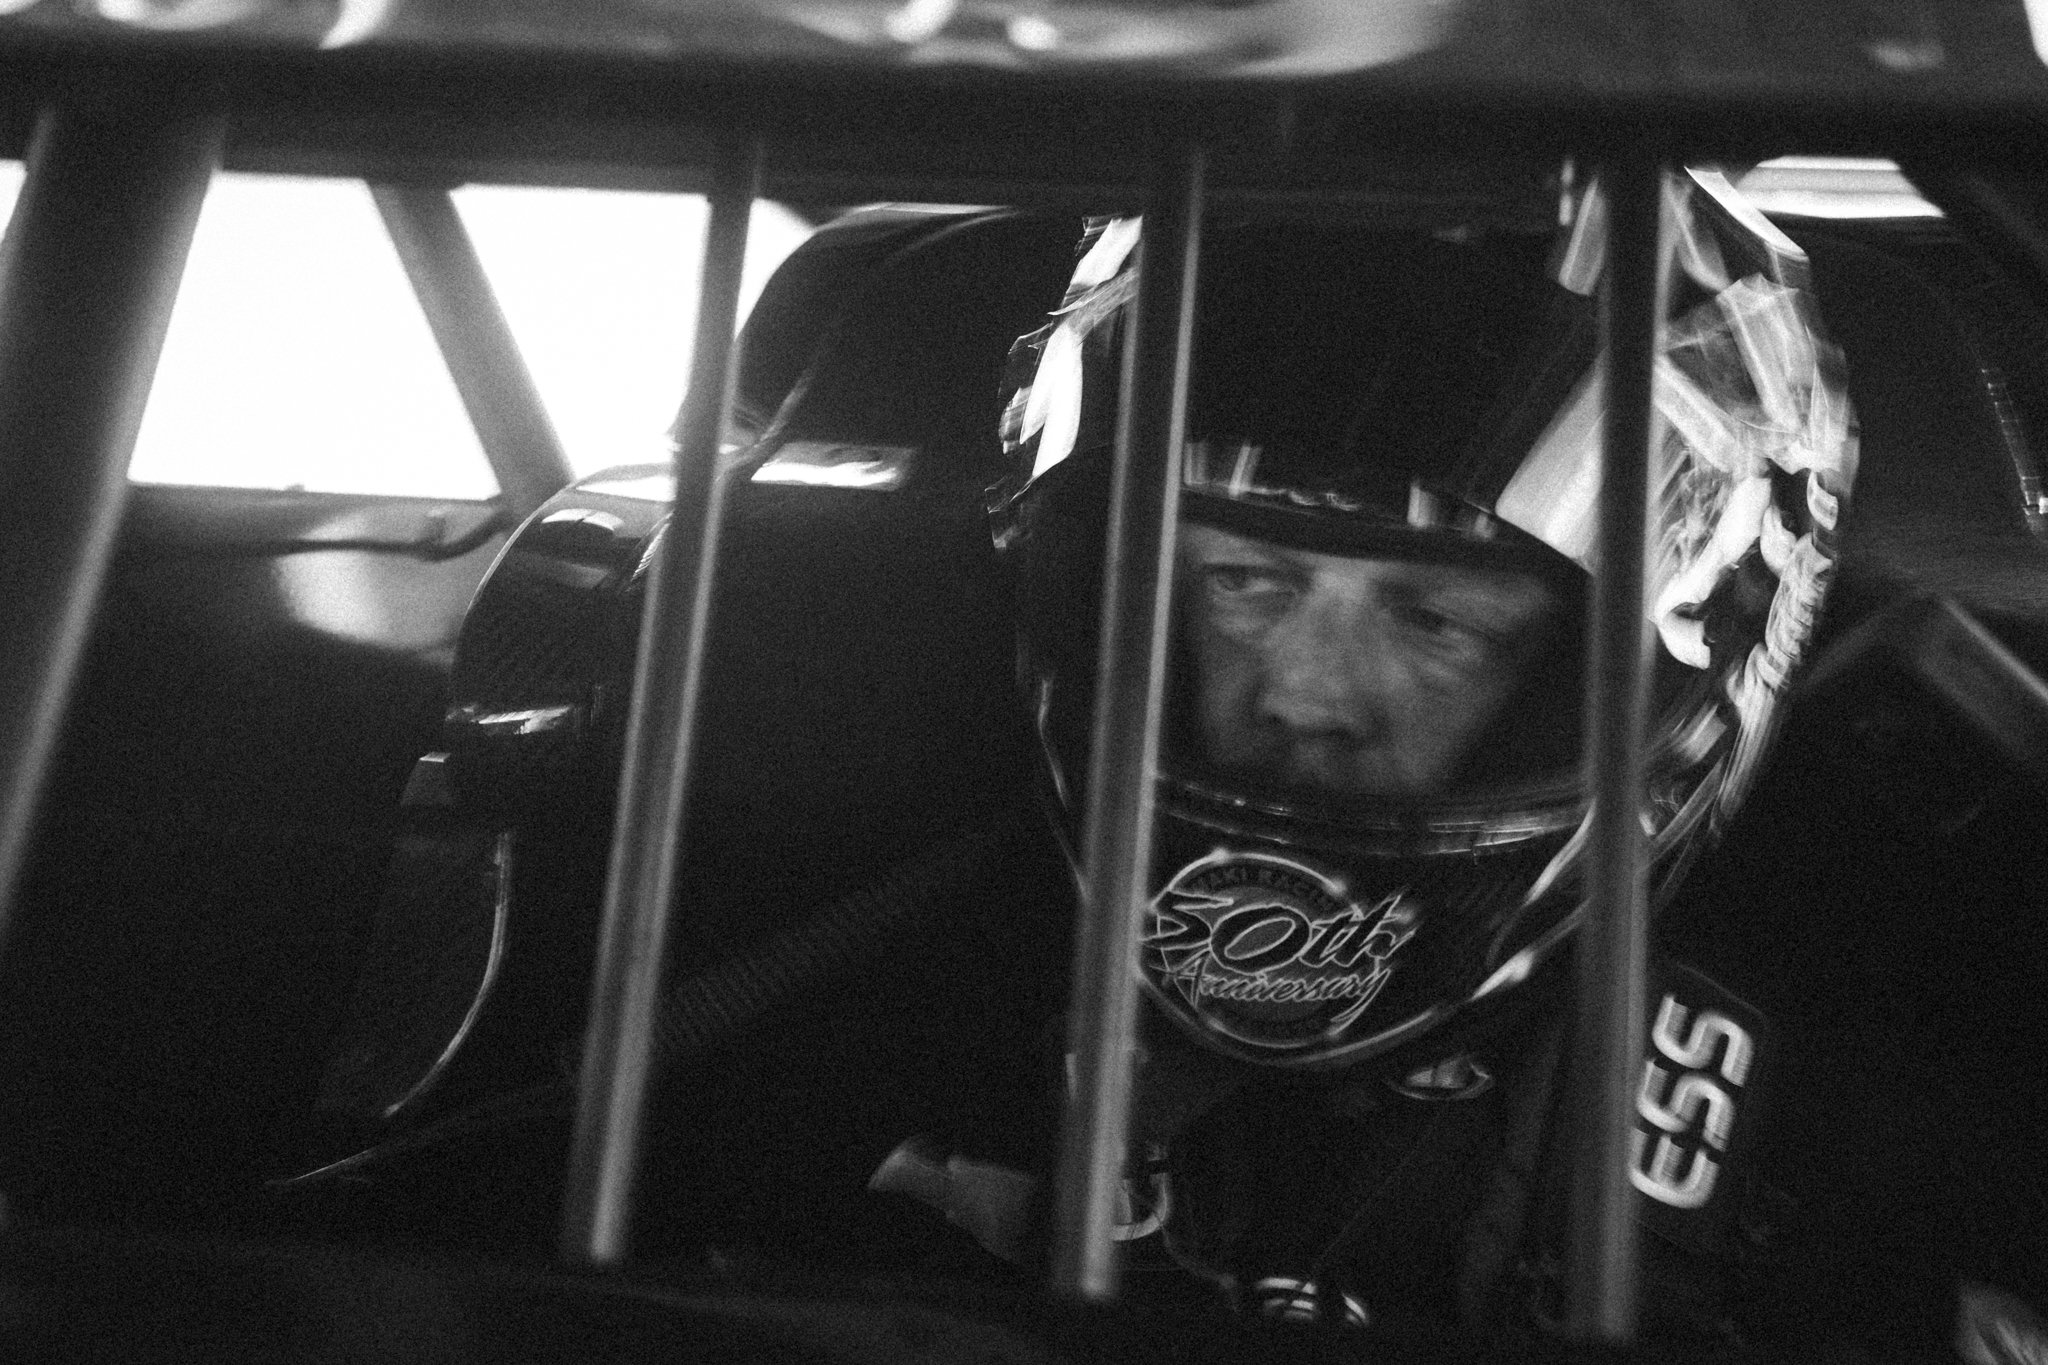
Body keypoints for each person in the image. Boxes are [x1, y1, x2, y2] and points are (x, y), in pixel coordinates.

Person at [899, 168, 1864, 1351]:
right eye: (1243, 583)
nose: (1307, 696)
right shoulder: (885, 960)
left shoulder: (1866, 1117)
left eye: (1433, 623)